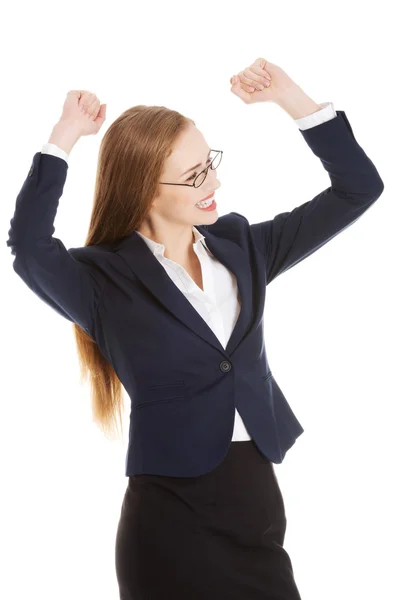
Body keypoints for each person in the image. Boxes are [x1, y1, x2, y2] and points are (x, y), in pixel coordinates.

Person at [6, 57, 384, 599]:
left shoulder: (245, 248)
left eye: (211, 163)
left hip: (255, 504)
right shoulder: (103, 282)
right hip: (168, 522)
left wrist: (290, 97)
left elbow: (358, 188)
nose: (215, 183)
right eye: (194, 175)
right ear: (145, 190)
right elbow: (30, 248)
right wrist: (65, 136)